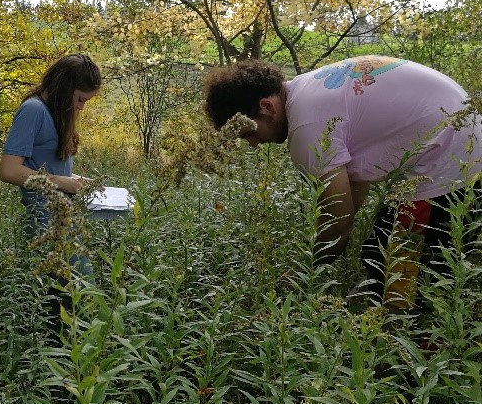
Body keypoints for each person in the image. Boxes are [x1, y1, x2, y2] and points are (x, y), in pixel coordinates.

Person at [204, 55, 482, 312]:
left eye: (247, 134)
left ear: (266, 108)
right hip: (461, 141)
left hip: (452, 160)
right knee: (380, 249)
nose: (253, 144)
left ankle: (411, 354)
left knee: (397, 275)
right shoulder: (308, 89)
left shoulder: (306, 127)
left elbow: (338, 224)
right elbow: (351, 196)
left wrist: (300, 276)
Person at [0, 53, 102, 335]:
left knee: (78, 299)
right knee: (70, 299)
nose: (81, 107)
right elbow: (9, 170)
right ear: (65, 88)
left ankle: (74, 364)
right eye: (80, 99)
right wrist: (60, 182)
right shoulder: (33, 110)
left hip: (65, 219)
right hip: (44, 222)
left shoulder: (57, 113)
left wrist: (76, 181)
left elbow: (50, 167)